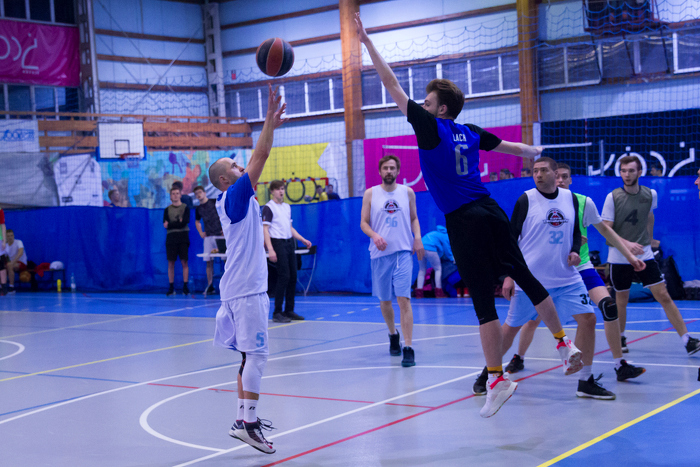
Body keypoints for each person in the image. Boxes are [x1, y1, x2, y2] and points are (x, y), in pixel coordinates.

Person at [355, 12, 582, 418]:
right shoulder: (471, 131)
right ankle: (565, 344)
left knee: (482, 301)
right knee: (526, 277)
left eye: (427, 103)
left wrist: (368, 43)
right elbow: (513, 148)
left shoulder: (432, 128)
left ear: (440, 109)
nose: (422, 106)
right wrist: (535, 151)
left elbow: (391, 85)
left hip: (463, 218)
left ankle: (496, 378)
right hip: (491, 208)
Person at [500, 162, 647, 385]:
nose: (560, 180)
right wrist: (510, 274)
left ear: (569, 180)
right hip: (545, 270)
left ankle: (616, 365)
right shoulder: (532, 200)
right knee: (532, 319)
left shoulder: (581, 202)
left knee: (604, 309)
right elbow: (518, 238)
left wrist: (629, 255)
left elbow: (604, 231)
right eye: (556, 176)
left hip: (579, 268)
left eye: (564, 177)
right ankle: (516, 358)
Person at [208, 84, 286, 454]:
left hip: (239, 287)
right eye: (235, 167)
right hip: (246, 290)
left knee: (246, 356)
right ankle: (250, 425)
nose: (242, 167)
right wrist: (269, 119)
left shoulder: (238, 200)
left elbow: (257, 157)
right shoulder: (234, 196)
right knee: (257, 356)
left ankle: (243, 418)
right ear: (226, 179)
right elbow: (262, 153)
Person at [602, 155, 699, 355]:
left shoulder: (650, 194)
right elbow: (606, 229)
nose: (626, 175)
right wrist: (627, 244)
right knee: (622, 298)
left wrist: (650, 238)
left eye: (631, 171)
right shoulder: (613, 197)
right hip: (619, 255)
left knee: (663, 294)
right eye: (623, 171)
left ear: (639, 172)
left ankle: (687, 340)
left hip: (644, 253)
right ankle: (620, 337)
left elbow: (649, 215)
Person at [361, 154, 425, 368]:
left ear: (397, 171)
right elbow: (363, 222)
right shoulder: (370, 193)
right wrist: (375, 235)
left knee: (404, 299)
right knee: (385, 300)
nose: (389, 171)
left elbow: (414, 218)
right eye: (385, 168)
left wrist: (417, 238)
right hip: (380, 255)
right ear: (380, 171)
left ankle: (408, 347)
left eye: (392, 168)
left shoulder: (407, 192)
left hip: (402, 253)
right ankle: (392, 334)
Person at [262, 180, 312, 323]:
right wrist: (270, 249)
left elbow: (290, 227)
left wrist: (302, 239)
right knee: (283, 276)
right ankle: (277, 312)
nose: (281, 191)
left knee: (293, 276)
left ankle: (289, 310)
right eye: (278, 189)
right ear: (272, 191)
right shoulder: (268, 208)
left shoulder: (286, 207)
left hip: (289, 243)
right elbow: (265, 230)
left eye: (282, 188)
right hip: (278, 243)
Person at [194, 185, 224, 296]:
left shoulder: (214, 202)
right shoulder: (198, 209)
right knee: (208, 261)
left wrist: (224, 228)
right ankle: (210, 285)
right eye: (196, 193)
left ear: (205, 193)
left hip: (220, 235)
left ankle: (229, 285)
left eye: (200, 192)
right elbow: (197, 221)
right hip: (208, 237)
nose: (199, 195)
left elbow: (223, 213)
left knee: (226, 259)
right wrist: (201, 232)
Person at [163, 187, 191, 296]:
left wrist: (171, 224)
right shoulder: (167, 210)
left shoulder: (185, 208)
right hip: (171, 238)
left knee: (184, 262)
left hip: (183, 237)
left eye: (177, 193)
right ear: (170, 196)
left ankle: (185, 287)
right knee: (171, 263)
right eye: (173, 193)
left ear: (180, 195)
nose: (175, 195)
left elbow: (185, 222)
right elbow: (165, 225)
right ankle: (171, 288)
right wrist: (178, 222)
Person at [415, 225, 453, 298]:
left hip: (419, 248)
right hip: (430, 249)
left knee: (422, 270)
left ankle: (419, 293)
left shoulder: (435, 233)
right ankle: (439, 292)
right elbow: (447, 250)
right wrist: (452, 259)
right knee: (438, 269)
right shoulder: (445, 235)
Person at [4, 230, 28, 295]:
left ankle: (11, 287)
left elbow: (20, 252)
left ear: (14, 236)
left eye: (11, 235)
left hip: (22, 263)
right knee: (2, 268)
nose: (10, 237)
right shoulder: (5, 245)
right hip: (10, 264)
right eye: (8, 236)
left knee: (9, 265)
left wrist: (13, 262)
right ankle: (2, 287)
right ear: (6, 237)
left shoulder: (18, 242)